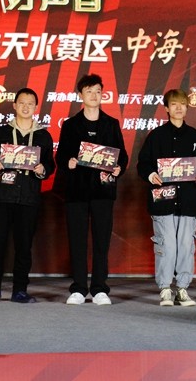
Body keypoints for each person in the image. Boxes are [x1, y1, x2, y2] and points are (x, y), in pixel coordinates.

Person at [55, 73, 128, 305]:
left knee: (101, 240)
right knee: (77, 240)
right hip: (76, 191)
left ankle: (99, 288)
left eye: (98, 91)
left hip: (102, 191)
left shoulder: (111, 124)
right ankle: (78, 288)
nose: (94, 95)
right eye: (89, 91)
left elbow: (122, 156)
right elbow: (61, 156)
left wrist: (119, 168)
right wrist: (68, 162)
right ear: (81, 95)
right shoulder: (70, 125)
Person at [0, 88, 56, 304]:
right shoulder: (1, 133)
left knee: (24, 246)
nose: (25, 107)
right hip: (2, 196)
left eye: (30, 103)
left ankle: (20, 290)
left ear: (36, 107)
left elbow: (50, 164)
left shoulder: (43, 136)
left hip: (29, 197)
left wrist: (43, 169)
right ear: (14, 105)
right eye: (22, 102)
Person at [136, 89, 196, 307]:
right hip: (163, 199)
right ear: (167, 108)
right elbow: (143, 163)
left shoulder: (194, 136)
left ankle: (183, 288)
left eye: (182, 104)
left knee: (186, 245)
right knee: (166, 244)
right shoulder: (156, 136)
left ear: (187, 107)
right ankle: (165, 288)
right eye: (174, 104)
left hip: (188, 200)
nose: (179, 108)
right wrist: (151, 175)